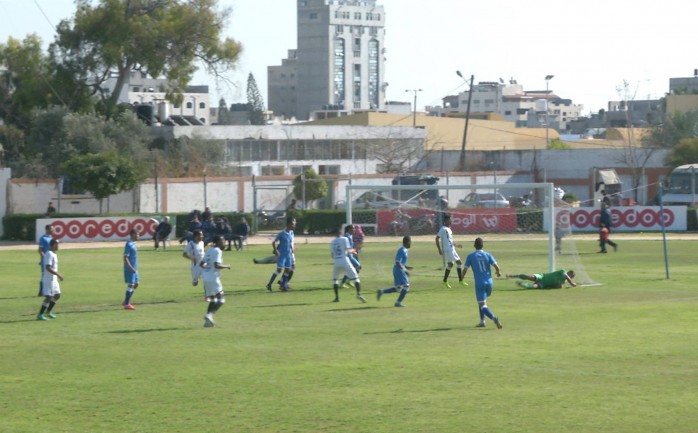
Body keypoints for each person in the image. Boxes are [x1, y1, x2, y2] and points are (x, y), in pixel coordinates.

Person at [462, 237, 503, 329]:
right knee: (481, 302)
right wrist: (498, 273)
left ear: (474, 246)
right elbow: (496, 266)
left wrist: (461, 278)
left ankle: (494, 318)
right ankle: (482, 321)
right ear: (483, 245)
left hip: (480, 283)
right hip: (490, 282)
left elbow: (465, 269)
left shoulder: (470, 256)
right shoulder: (488, 255)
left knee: (482, 305)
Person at [199, 235, 231, 327]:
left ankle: (207, 322)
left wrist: (207, 269)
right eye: (221, 242)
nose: (223, 243)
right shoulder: (218, 251)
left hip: (206, 277)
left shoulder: (210, 250)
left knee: (214, 299)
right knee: (222, 300)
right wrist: (227, 266)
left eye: (223, 241)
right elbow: (217, 265)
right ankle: (209, 315)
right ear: (217, 242)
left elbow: (201, 263)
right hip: (213, 278)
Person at [330, 227, 365, 303]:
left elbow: (332, 255)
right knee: (356, 278)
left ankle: (337, 298)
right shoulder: (344, 239)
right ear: (341, 232)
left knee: (335, 280)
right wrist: (355, 249)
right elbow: (349, 250)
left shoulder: (332, 242)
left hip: (336, 262)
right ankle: (359, 294)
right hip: (345, 260)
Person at [376, 236, 412, 307]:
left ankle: (381, 291)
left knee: (398, 288)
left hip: (398, 270)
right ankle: (398, 303)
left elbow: (401, 263)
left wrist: (406, 267)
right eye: (410, 242)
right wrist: (405, 270)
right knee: (406, 286)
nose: (411, 244)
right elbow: (397, 262)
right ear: (407, 242)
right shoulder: (402, 250)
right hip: (399, 270)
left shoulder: (405, 250)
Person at [435, 214, 468, 288]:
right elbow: (437, 238)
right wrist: (439, 249)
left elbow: (450, 241)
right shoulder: (443, 229)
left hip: (452, 248)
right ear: (446, 221)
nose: (451, 221)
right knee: (459, 262)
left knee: (450, 264)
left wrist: (457, 245)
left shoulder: (449, 229)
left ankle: (444, 281)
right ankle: (460, 280)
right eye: (450, 219)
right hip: (448, 249)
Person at [265, 216, 296, 292]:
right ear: (288, 224)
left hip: (288, 255)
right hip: (282, 255)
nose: (294, 225)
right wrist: (276, 250)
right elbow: (274, 242)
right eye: (293, 224)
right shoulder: (282, 233)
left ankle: (283, 285)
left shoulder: (291, 233)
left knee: (288, 270)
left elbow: (289, 243)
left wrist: (292, 249)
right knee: (279, 270)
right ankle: (269, 284)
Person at [37, 239, 64, 320]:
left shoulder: (54, 254)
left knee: (57, 295)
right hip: (49, 279)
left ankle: (48, 312)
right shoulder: (49, 254)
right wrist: (58, 274)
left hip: (54, 279)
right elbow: (48, 267)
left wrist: (56, 276)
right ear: (53, 245)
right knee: (48, 297)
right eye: (57, 244)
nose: (58, 246)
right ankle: (40, 314)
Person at [122, 229, 139, 310]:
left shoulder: (134, 244)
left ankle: (126, 300)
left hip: (135, 268)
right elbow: (125, 258)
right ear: (132, 235)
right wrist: (131, 267)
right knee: (131, 285)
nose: (138, 236)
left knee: (136, 284)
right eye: (137, 234)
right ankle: (127, 304)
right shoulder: (128, 244)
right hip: (130, 268)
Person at [507, 269, 577, 289]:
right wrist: (571, 283)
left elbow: (555, 286)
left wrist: (558, 286)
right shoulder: (563, 271)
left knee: (535, 286)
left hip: (544, 284)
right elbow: (567, 277)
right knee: (529, 277)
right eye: (571, 275)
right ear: (568, 272)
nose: (571, 277)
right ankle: (512, 276)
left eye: (572, 277)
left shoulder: (563, 281)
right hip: (542, 276)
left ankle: (523, 285)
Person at [340, 224, 361, 289]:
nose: (354, 230)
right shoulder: (347, 237)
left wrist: (354, 251)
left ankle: (346, 281)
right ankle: (345, 282)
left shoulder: (349, 236)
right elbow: (347, 248)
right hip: (348, 256)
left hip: (350, 255)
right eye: (353, 229)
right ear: (349, 230)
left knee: (352, 269)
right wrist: (354, 250)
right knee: (358, 267)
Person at [37, 224, 54, 296]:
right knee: (44, 275)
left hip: (51, 260)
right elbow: (40, 250)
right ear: (47, 229)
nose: (52, 230)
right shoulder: (43, 238)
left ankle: (49, 291)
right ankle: (41, 292)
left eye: (52, 229)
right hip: (45, 261)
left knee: (51, 275)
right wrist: (44, 259)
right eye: (51, 229)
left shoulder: (51, 238)